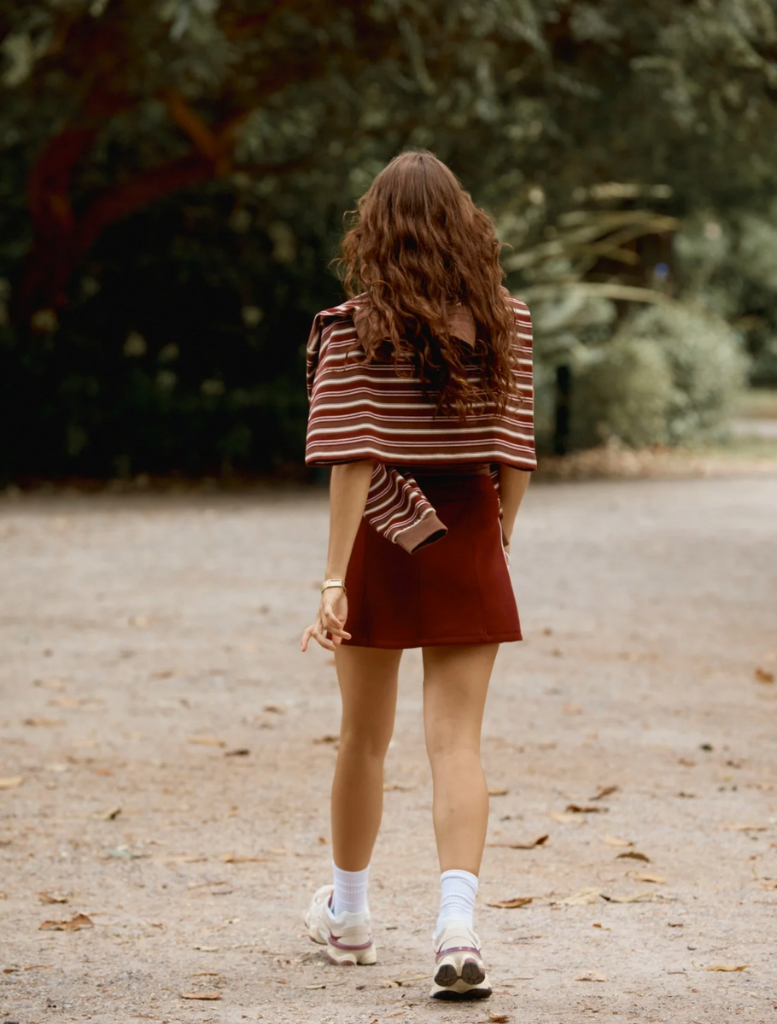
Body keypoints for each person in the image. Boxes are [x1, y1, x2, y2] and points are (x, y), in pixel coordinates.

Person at [300, 150, 536, 1000]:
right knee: (457, 743)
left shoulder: (352, 326)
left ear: (375, 232)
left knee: (362, 738)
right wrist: (494, 537)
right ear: (463, 227)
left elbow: (352, 458)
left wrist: (333, 580)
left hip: (379, 535)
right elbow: (514, 455)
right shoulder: (507, 321)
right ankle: (457, 929)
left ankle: (350, 916)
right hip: (466, 527)